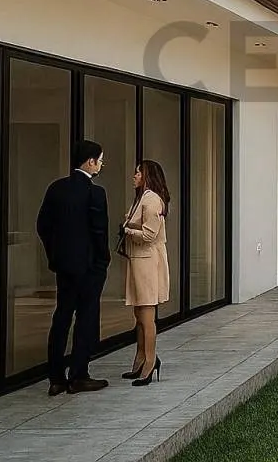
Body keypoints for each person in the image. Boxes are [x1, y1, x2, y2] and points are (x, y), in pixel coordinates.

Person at [36, 139, 111, 396]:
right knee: (86, 318)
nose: (100, 165)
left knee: (62, 317)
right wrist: (103, 261)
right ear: (90, 161)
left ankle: (56, 377)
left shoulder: (56, 189)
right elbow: (99, 232)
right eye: (99, 161)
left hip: (64, 267)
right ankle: (79, 375)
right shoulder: (95, 193)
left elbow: (42, 226)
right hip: (89, 267)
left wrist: (55, 255)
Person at [121, 160, 171, 386]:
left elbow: (149, 235)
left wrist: (127, 230)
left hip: (148, 263)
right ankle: (141, 357)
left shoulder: (151, 200)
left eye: (138, 173)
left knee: (147, 316)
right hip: (139, 262)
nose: (134, 176)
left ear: (147, 176)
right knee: (139, 315)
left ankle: (150, 361)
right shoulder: (142, 199)